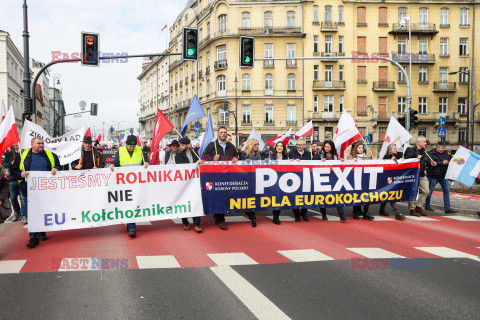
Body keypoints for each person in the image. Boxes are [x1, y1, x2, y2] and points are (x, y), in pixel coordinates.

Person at [10, 137, 62, 247]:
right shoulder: (23, 155)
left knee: (43, 211)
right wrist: (20, 174)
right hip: (27, 188)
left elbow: (59, 166)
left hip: (45, 189)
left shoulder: (50, 155)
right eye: (39, 143)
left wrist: (56, 169)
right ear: (32, 144)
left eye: (42, 143)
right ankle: (33, 237)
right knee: (31, 212)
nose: (41, 145)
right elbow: (13, 171)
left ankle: (42, 231)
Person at [108, 135, 149, 238]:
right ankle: (131, 226)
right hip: (124, 183)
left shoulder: (140, 150)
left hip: (137, 183)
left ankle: (131, 225)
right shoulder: (120, 151)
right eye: (130, 146)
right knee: (128, 204)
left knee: (134, 203)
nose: (132, 147)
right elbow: (116, 162)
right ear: (127, 144)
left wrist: (147, 163)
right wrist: (112, 165)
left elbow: (147, 161)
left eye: (133, 145)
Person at [202, 126, 239, 230]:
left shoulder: (231, 146)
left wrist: (236, 159)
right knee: (218, 196)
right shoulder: (211, 146)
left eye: (225, 132)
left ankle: (218, 216)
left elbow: (235, 157)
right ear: (218, 134)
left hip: (227, 175)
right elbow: (204, 159)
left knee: (225, 196)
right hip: (215, 175)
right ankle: (221, 220)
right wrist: (212, 159)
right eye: (221, 132)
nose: (223, 134)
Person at [175, 137, 204, 232]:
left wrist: (200, 163)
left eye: (182, 145)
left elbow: (199, 163)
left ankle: (197, 223)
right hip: (184, 182)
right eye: (180, 145)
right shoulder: (178, 155)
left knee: (196, 202)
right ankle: (185, 222)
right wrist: (196, 163)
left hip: (195, 181)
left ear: (188, 145)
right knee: (185, 202)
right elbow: (184, 168)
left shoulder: (194, 152)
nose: (180, 147)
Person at [404, 136, 434, 217]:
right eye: (424, 142)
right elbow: (407, 160)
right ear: (418, 142)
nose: (425, 143)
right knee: (412, 191)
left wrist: (430, 163)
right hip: (413, 175)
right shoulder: (411, 150)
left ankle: (419, 206)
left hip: (421, 174)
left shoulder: (424, 151)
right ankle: (412, 209)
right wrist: (415, 158)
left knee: (427, 191)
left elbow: (425, 161)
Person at [320, 140, 349, 222]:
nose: (326, 148)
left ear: (331, 148)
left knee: (337, 196)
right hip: (323, 178)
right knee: (323, 197)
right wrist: (320, 161)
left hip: (334, 179)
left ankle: (342, 215)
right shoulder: (320, 154)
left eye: (328, 147)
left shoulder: (335, 156)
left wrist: (342, 161)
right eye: (325, 146)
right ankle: (324, 214)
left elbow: (339, 163)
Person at [425, 142, 457, 214]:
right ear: (437, 148)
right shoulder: (431, 153)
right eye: (442, 148)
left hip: (444, 175)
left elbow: (449, 160)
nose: (443, 149)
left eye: (444, 148)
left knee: (446, 191)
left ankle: (447, 208)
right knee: (429, 191)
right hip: (433, 175)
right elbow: (430, 163)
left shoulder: (446, 153)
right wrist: (442, 163)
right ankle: (427, 205)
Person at [347, 141, 375, 220]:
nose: (360, 149)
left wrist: (372, 159)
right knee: (357, 196)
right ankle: (355, 212)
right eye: (359, 148)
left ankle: (366, 213)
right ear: (356, 149)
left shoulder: (366, 157)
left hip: (365, 179)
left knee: (367, 195)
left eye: (362, 148)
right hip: (356, 180)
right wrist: (352, 161)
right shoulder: (351, 157)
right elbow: (347, 165)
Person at [379, 144, 406, 220]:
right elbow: (384, 165)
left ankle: (381, 210)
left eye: (396, 148)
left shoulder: (398, 156)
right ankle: (397, 213)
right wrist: (390, 160)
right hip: (388, 179)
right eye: (394, 148)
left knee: (387, 194)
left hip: (395, 178)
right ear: (390, 150)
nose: (396, 149)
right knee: (391, 195)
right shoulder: (386, 157)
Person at [240, 139, 263, 227]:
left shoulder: (260, 154)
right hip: (247, 178)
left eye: (258, 144)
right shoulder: (244, 154)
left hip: (257, 178)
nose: (257, 146)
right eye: (255, 145)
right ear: (251, 145)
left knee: (254, 197)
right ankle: (252, 215)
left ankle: (251, 214)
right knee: (249, 197)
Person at [289, 138, 311, 222]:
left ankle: (304, 213)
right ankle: (296, 214)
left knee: (306, 197)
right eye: (297, 144)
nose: (298, 146)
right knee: (296, 197)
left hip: (305, 178)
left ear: (304, 146)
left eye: (300, 145)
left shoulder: (308, 154)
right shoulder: (292, 152)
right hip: (295, 178)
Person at [269, 141, 289, 224]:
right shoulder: (271, 156)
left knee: (280, 198)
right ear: (276, 147)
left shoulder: (286, 157)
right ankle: (275, 215)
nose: (279, 147)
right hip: (273, 180)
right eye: (278, 146)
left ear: (283, 148)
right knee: (275, 198)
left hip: (283, 180)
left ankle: (277, 215)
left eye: (281, 146)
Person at [2, 143, 21, 221]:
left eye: (18, 144)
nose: (17, 146)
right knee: (13, 197)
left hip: (22, 178)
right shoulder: (10, 154)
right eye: (15, 145)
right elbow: (4, 164)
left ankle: (24, 214)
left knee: (24, 198)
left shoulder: (24, 153)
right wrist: (11, 163)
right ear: (13, 146)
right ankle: (17, 212)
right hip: (13, 179)